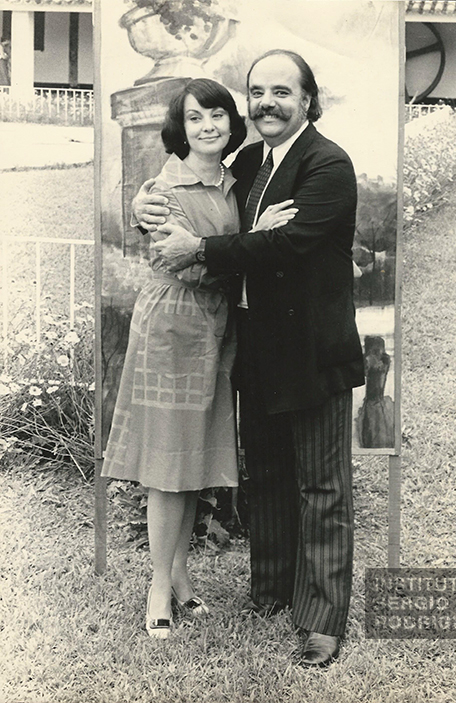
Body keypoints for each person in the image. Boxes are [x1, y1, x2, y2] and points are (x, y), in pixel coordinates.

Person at [134, 50, 364, 666]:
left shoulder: (328, 164)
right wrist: (144, 205)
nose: (267, 103)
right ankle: (272, 593)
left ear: (308, 100)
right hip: (254, 349)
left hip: (312, 352)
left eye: (282, 93)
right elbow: (189, 179)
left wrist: (210, 245)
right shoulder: (250, 162)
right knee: (266, 481)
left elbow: (288, 244)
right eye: (258, 92)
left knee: (321, 487)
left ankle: (320, 621)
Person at [102, 78, 295, 638]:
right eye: (194, 118)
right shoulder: (163, 188)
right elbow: (189, 264)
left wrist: (249, 244)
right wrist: (256, 242)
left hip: (217, 328)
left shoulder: (235, 183)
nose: (207, 126)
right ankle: (158, 587)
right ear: (179, 128)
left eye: (216, 115)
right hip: (174, 327)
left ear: (232, 123)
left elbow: (221, 258)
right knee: (167, 464)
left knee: (190, 461)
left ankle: (180, 577)